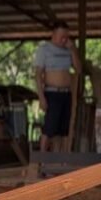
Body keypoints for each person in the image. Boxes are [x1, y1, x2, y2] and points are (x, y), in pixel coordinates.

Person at [34, 21, 81, 152]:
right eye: (61, 36)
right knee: (49, 129)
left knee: (62, 131)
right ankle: (42, 161)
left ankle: (57, 162)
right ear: (53, 34)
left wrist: (73, 49)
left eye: (66, 37)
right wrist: (41, 97)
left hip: (66, 93)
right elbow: (37, 75)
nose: (64, 39)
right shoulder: (44, 49)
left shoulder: (69, 49)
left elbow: (78, 69)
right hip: (52, 93)